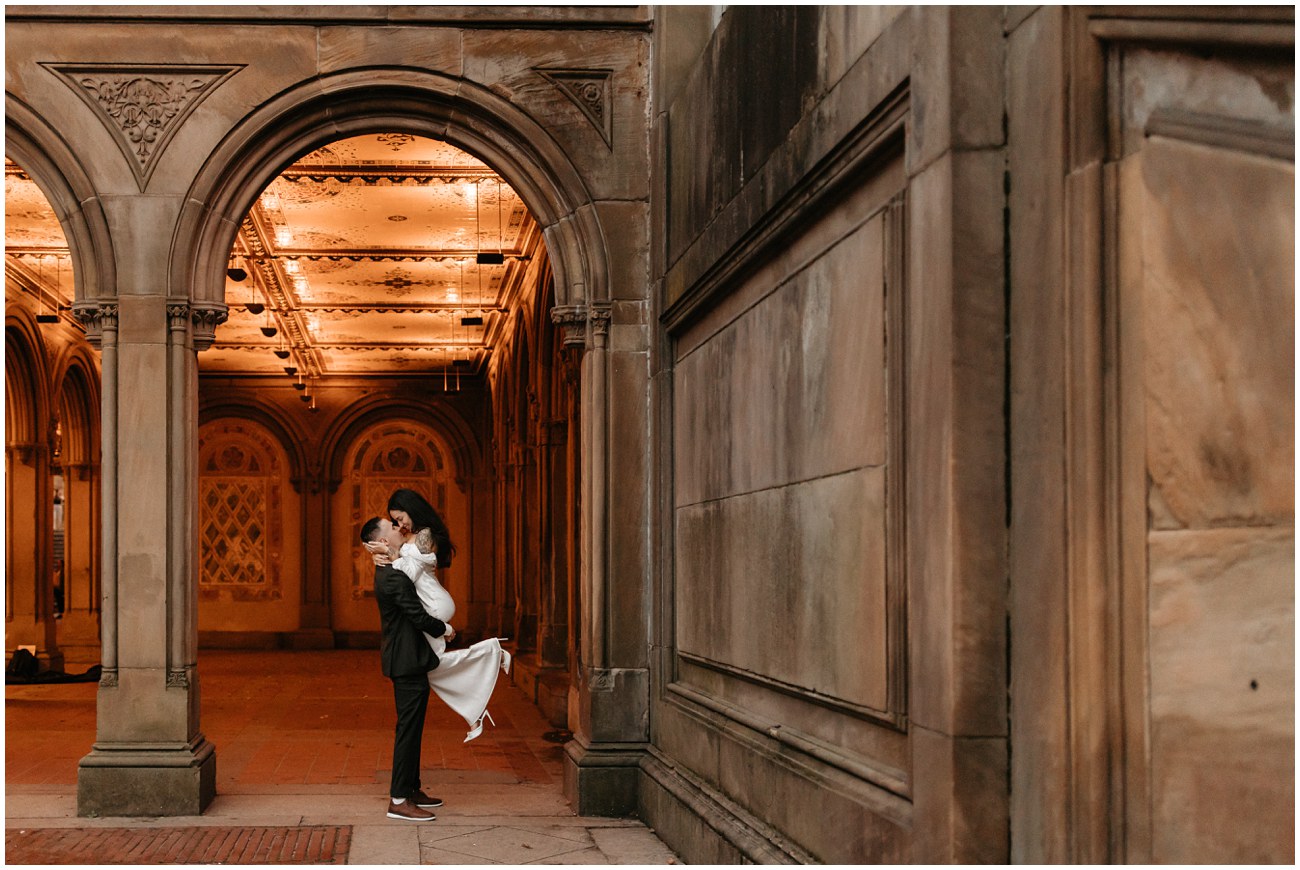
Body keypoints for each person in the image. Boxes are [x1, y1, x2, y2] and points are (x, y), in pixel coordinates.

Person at [368, 488, 511, 742]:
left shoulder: (425, 535)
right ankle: (477, 693)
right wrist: (385, 554)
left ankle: (490, 657)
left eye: (401, 518)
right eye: (395, 521)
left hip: (434, 605)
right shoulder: (412, 536)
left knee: (426, 665)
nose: (399, 525)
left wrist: (387, 558)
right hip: (430, 603)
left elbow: (408, 575)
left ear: (412, 510)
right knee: (431, 666)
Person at [360, 515, 446, 823]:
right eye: (392, 527)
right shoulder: (393, 577)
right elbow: (417, 615)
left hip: (407, 659)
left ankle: (411, 789)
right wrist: (445, 629)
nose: (399, 528)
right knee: (408, 731)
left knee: (412, 728)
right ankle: (399, 799)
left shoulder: (389, 568)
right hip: (406, 660)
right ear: (383, 540)